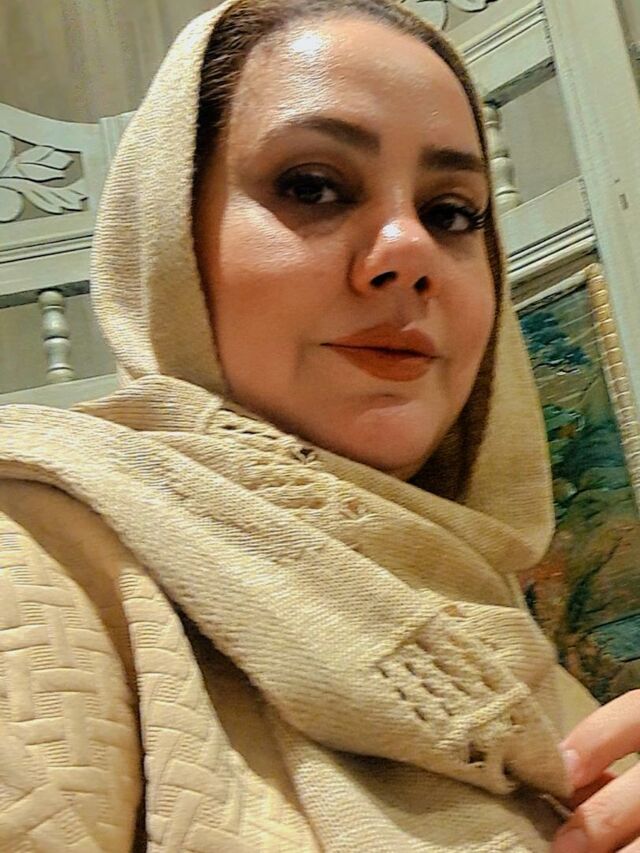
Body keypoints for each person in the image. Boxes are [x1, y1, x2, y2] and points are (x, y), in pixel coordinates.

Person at [0, 0, 638, 850]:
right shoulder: (39, 562)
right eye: (312, 187)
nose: (408, 250)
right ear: (170, 238)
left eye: (452, 211)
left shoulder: (518, 660)